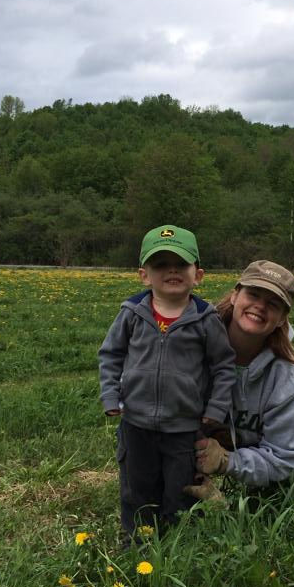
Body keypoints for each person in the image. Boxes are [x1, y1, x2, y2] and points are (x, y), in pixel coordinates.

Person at [98, 224, 236, 536]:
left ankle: (178, 546)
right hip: (136, 425)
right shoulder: (132, 313)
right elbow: (110, 355)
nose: (171, 270)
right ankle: (136, 545)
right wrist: (110, 395)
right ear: (144, 275)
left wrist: (215, 409)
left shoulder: (205, 318)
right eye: (160, 264)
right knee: (137, 490)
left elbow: (224, 367)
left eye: (181, 264)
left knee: (182, 492)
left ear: (197, 275)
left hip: (184, 428)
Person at [189, 260, 294, 497]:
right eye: (253, 294)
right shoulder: (191, 338)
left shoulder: (287, 374)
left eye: (273, 303)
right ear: (235, 295)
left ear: (283, 318)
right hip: (192, 439)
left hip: (253, 443)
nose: (260, 306)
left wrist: (227, 461)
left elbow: (288, 458)